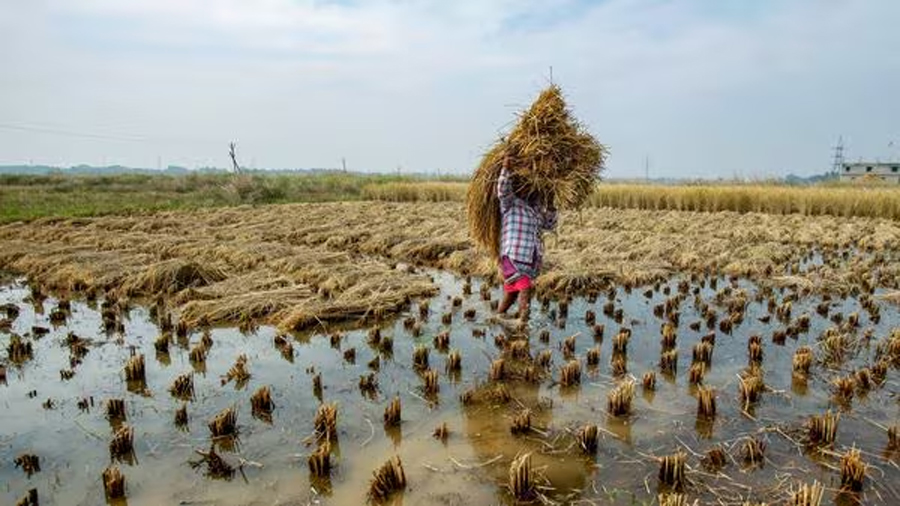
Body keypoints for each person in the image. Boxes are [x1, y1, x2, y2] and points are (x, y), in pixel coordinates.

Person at [495, 153, 557, 324]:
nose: (531, 193)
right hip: (513, 258)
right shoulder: (510, 204)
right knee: (525, 289)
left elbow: (549, 225)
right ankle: (523, 324)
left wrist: (551, 205)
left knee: (511, 292)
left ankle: (497, 317)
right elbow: (502, 190)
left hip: (529, 261)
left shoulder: (536, 211)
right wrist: (506, 168)